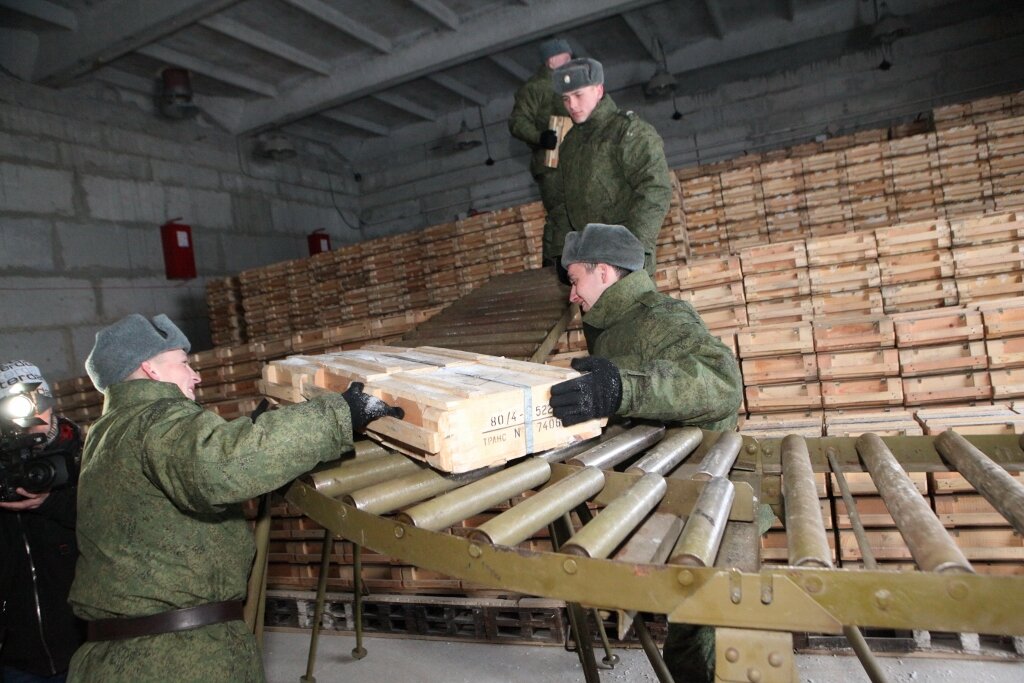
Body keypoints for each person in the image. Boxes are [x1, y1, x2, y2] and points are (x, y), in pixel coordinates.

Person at [65, 314, 402, 682]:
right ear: (150, 368)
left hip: (131, 652)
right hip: (175, 658)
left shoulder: (108, 430)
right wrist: (338, 414)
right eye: (183, 364)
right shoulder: (155, 419)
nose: (195, 375)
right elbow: (219, 467)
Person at [547, 224, 744, 683]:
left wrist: (619, 388)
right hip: (664, 486)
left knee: (696, 641)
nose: (573, 295)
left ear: (604, 273)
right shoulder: (610, 324)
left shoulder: (660, 317)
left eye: (576, 281)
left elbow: (721, 385)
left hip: (701, 494)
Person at [543, 58, 673, 276]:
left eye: (578, 95)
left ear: (598, 90)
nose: (572, 105)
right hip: (587, 263)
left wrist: (631, 250)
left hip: (626, 261)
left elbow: (655, 189)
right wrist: (562, 254)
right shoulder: (570, 144)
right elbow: (561, 203)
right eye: (566, 98)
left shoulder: (628, 132)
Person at [0, 360, 84, 683]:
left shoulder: (82, 455)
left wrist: (51, 502)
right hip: (17, 659)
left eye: (41, 405)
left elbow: (109, 517)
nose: (33, 420)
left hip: (85, 645)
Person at [508, 37, 573, 225]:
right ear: (551, 61)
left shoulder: (572, 84)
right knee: (562, 218)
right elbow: (517, 121)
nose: (570, 62)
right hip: (551, 164)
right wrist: (540, 138)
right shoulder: (534, 88)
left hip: (576, 157)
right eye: (565, 58)